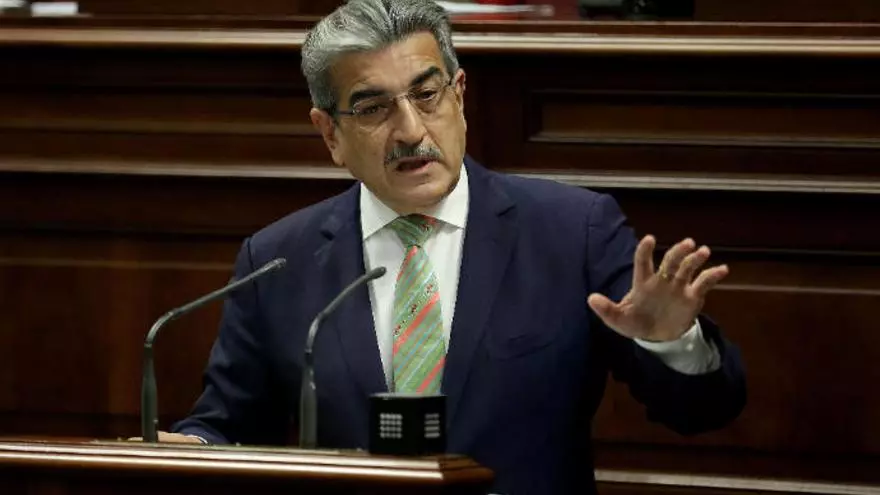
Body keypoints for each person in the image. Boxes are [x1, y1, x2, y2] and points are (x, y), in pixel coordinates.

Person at [158, 1, 746, 493]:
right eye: (374, 108)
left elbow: (702, 413)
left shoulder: (572, 232)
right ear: (330, 133)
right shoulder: (278, 261)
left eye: (426, 94)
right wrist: (187, 450)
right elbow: (230, 425)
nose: (411, 130)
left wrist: (672, 344)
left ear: (459, 95)